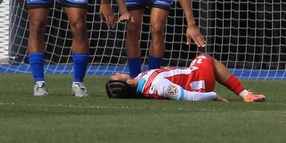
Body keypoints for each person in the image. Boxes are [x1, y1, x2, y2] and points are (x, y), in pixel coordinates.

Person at [104, 52, 266, 102]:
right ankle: (245, 95)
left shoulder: (142, 78)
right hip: (199, 79)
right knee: (205, 58)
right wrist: (214, 95)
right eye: (117, 76)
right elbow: (188, 97)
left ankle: (245, 94)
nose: (117, 72)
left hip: (191, 73)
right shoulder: (159, 85)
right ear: (129, 82)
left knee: (199, 59)